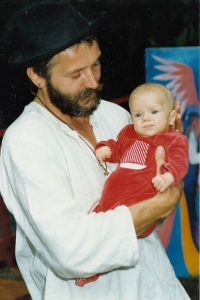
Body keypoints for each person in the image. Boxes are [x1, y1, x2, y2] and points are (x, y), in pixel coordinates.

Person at [0, 1, 190, 299]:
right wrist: (159, 204)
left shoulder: (114, 116)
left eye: (96, 64)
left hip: (156, 287)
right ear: (37, 76)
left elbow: (149, 202)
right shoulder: (27, 141)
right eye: (76, 75)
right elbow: (71, 248)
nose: (93, 82)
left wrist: (168, 150)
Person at [95, 82, 189, 238]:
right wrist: (107, 148)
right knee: (98, 223)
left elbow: (180, 160)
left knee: (111, 230)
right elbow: (118, 148)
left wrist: (169, 176)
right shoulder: (128, 133)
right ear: (131, 118)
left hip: (142, 196)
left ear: (171, 117)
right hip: (113, 193)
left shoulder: (172, 139)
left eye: (154, 112)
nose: (146, 118)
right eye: (138, 115)